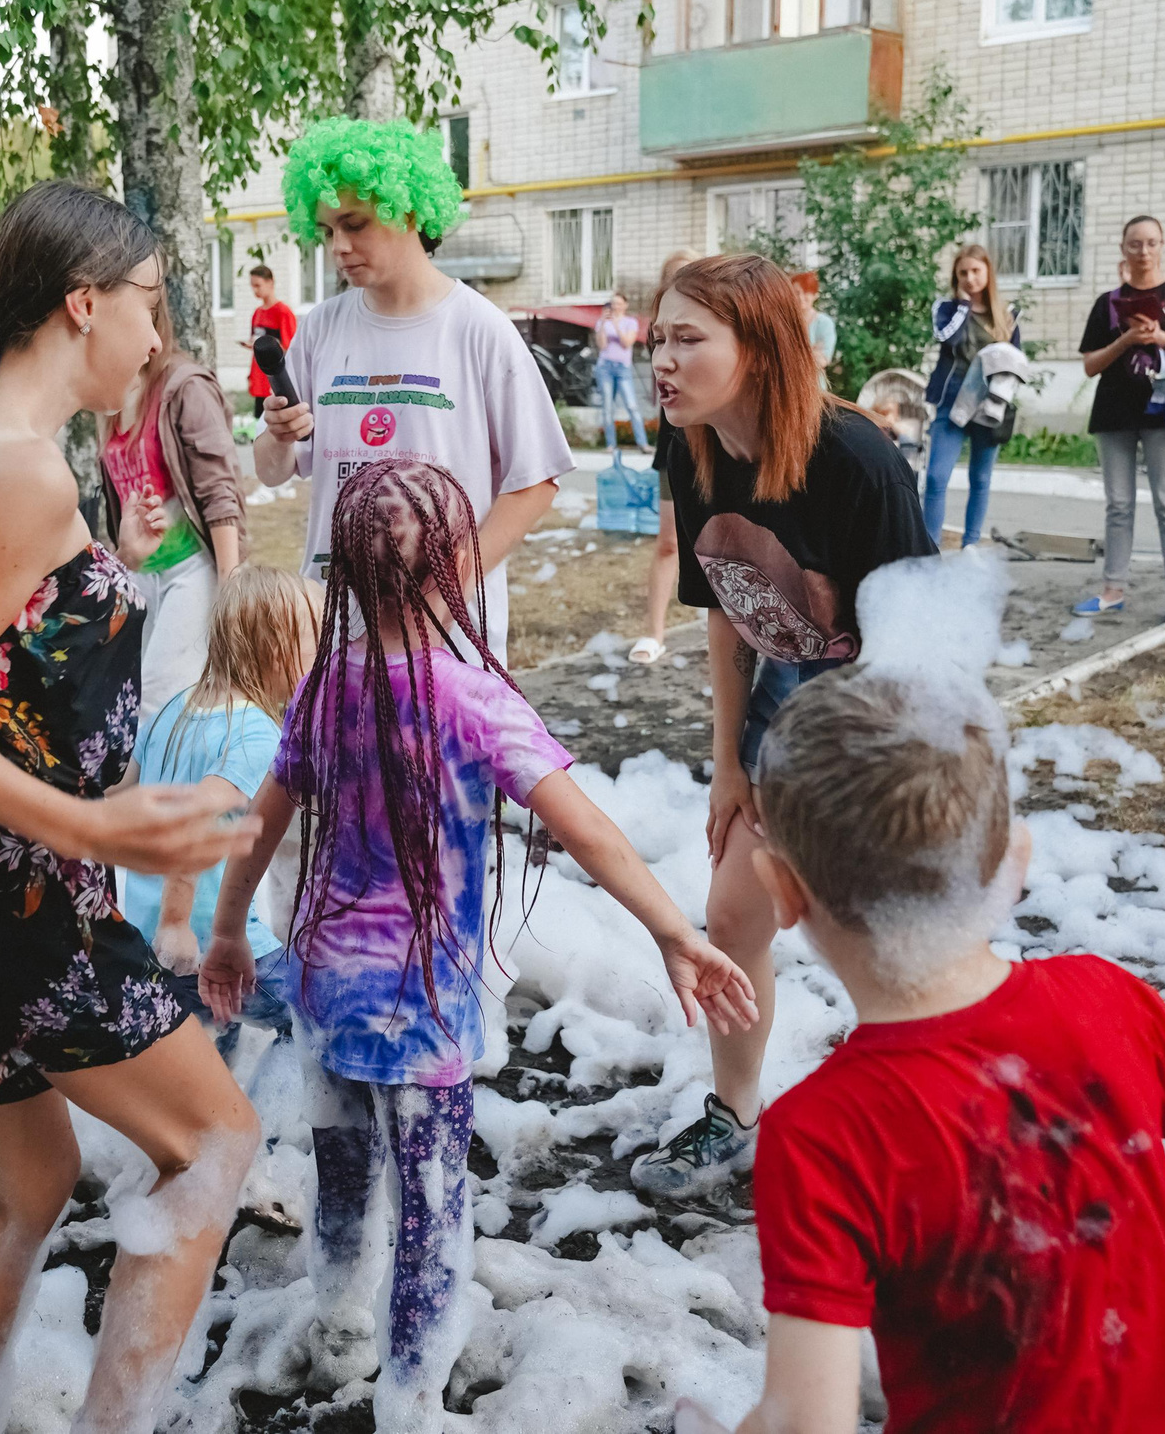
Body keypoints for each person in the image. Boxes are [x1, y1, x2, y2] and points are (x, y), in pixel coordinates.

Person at [0, 180, 266, 1434]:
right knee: (216, 1143)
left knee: (34, 1180)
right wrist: (89, 829)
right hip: (12, 900)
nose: (156, 334)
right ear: (82, 303)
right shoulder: (18, 472)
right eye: (148, 302)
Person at [200, 459, 756, 1431]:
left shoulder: (324, 688)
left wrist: (225, 935)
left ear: (345, 571)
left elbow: (257, 827)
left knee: (343, 1175)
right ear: (455, 566)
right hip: (423, 1009)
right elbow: (588, 831)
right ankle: (410, 1398)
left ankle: (338, 1326)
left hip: (326, 991)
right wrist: (674, 930)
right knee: (430, 1204)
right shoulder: (472, 698)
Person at [697, 663, 1165, 1434]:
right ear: (1014, 863)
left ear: (781, 890)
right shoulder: (1106, 1000)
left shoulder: (824, 1133)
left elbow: (806, 1422)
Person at [630, 252, 934, 1198]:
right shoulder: (691, 447)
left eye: (688, 339)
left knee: (877, 940)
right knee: (732, 915)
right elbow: (727, 610)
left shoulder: (855, 459)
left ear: (758, 349)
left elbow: (920, 637)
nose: (662, 360)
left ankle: (926, 1136)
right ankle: (734, 1117)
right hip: (785, 696)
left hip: (882, 714)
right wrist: (729, 760)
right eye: (657, 339)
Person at [253, 117, 574, 664]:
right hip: (336, 630)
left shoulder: (479, 328)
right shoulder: (322, 328)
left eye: (355, 223)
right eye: (327, 230)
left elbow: (536, 482)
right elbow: (271, 470)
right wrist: (279, 437)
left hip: (447, 645)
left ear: (407, 210)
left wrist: (446, 591)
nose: (338, 246)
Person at [127, 565, 320, 1048]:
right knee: (310, 1021)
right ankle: (294, 1098)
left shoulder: (174, 709)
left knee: (213, 1033)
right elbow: (196, 816)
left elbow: (120, 790)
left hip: (146, 938)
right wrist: (176, 923)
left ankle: (231, 1092)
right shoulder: (255, 733)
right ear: (278, 648)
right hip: (207, 938)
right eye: (317, 644)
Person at [101, 277, 250, 723]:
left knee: (158, 700)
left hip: (192, 568)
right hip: (142, 572)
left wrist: (229, 591)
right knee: (130, 698)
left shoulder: (184, 386)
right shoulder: (110, 391)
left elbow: (219, 491)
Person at [1076, 215, 1165, 625]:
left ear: (1162, 245)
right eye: (1135, 244)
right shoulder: (1108, 302)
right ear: (1123, 249)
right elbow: (1090, 365)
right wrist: (1127, 339)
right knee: (1118, 504)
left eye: (1151, 243)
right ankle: (1112, 590)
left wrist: (1163, 338)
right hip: (1114, 412)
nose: (1144, 252)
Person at [921, 243, 1024, 551]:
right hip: (951, 402)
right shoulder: (946, 308)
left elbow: (1016, 362)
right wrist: (964, 306)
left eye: (976, 271)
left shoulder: (1007, 315)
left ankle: (970, 546)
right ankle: (930, 550)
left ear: (988, 272)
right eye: (963, 272)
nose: (970, 278)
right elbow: (948, 338)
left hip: (989, 406)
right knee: (936, 478)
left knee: (980, 479)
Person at [630, 253, 700, 667]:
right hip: (674, 448)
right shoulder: (660, 337)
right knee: (669, 542)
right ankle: (654, 632)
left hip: (716, 446)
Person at [593, 292, 648, 454]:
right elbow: (602, 345)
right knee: (607, 406)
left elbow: (626, 343)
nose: (615, 307)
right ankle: (611, 444)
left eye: (618, 303)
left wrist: (616, 324)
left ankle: (643, 444)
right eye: (613, 303)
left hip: (623, 368)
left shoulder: (631, 322)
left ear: (625, 305)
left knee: (631, 405)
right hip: (605, 367)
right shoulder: (602, 322)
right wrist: (603, 324)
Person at [244, 264, 298, 418]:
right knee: (259, 420)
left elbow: (291, 347)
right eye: (252, 286)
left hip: (274, 378)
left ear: (270, 282)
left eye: (258, 285)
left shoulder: (283, 312)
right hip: (259, 375)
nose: (255, 290)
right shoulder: (257, 313)